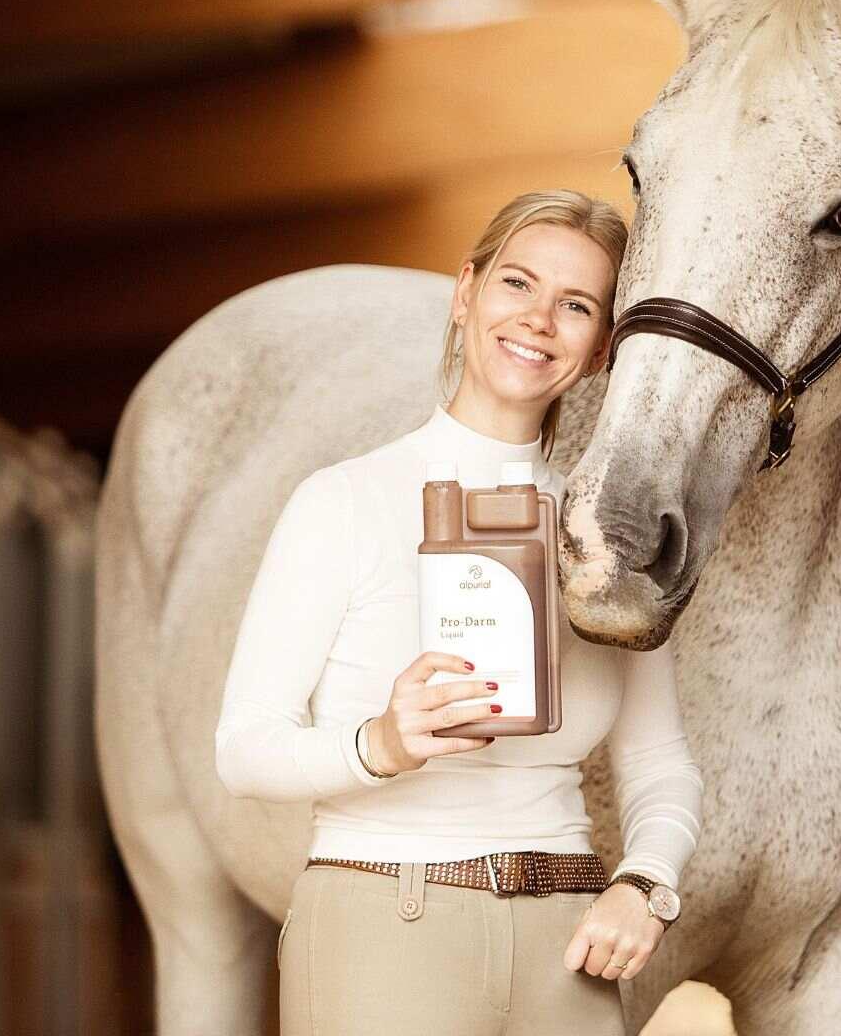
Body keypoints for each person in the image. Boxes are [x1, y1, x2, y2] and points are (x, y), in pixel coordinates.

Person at [214, 189, 704, 1036]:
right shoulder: (343, 502)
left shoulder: (603, 537)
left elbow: (662, 763)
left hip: (567, 939)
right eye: (518, 284)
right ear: (465, 294)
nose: (540, 320)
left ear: (597, 353)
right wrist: (381, 744)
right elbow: (243, 750)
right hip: (383, 924)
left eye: (577, 305)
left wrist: (646, 882)